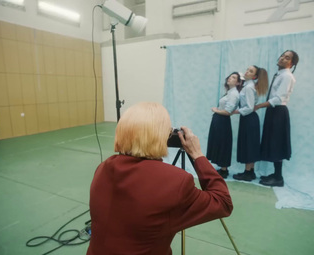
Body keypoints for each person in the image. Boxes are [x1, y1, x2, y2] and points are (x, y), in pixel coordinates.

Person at [87, 102, 233, 255]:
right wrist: (198, 155)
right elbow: (223, 203)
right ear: (162, 137)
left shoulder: (103, 167)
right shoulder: (176, 181)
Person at [254, 50, 299, 187]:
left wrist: (259, 106)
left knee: (277, 143)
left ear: (292, 63)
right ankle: (276, 174)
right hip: (273, 111)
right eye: (282, 56)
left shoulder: (287, 76)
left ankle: (278, 178)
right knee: (273, 142)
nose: (282, 58)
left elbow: (279, 98)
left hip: (278, 112)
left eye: (287, 58)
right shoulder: (279, 74)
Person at [231, 65, 268, 182]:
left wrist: (235, 111)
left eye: (250, 71)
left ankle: (247, 173)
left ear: (255, 76)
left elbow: (250, 107)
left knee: (248, 144)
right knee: (251, 144)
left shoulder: (248, 88)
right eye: (247, 69)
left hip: (249, 118)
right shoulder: (248, 86)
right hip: (249, 119)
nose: (247, 72)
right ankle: (250, 171)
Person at [206, 72, 242, 178]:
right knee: (218, 142)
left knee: (223, 143)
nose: (230, 78)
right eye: (230, 76)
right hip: (219, 120)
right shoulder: (229, 92)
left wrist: (215, 110)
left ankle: (224, 170)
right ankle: (221, 167)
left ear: (238, 82)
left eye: (234, 77)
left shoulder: (234, 94)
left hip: (223, 121)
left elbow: (227, 111)